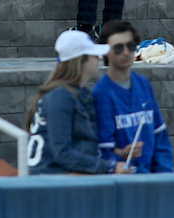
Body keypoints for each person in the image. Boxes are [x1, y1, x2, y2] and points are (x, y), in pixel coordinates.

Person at [26, 30, 125, 174]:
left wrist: (120, 153)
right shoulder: (61, 97)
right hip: (52, 182)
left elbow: (82, 145)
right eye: (93, 54)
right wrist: (109, 167)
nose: (99, 58)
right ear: (81, 61)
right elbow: (62, 153)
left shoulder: (76, 93)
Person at [92, 20, 173, 173]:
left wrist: (165, 174)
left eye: (130, 46)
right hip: (123, 180)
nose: (126, 52)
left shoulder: (143, 84)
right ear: (106, 52)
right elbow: (104, 149)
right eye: (118, 48)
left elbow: (160, 137)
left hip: (152, 178)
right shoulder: (101, 94)